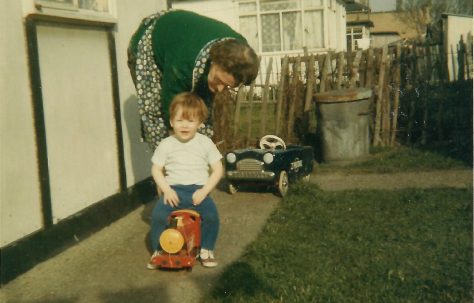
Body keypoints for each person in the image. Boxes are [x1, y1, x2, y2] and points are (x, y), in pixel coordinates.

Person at [127, 9, 259, 149]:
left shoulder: (242, 51)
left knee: (200, 116)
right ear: (214, 61)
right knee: (162, 118)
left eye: (227, 86)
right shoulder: (185, 64)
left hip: (183, 40)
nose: (220, 89)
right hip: (151, 43)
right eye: (219, 80)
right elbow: (171, 107)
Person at [148, 92, 223, 268]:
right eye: (180, 120)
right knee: (158, 216)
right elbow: (156, 169)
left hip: (198, 191)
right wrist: (166, 190)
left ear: (199, 123)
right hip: (174, 191)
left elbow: (218, 169)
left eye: (190, 121)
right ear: (172, 122)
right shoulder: (166, 144)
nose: (185, 125)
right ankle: (159, 250)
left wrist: (204, 191)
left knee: (212, 216)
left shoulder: (205, 143)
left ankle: (206, 249)